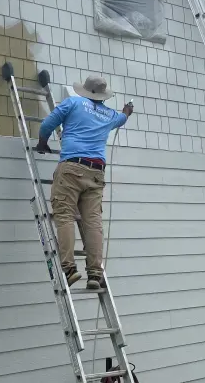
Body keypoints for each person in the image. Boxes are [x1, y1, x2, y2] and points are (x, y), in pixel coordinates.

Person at [36, 76, 133, 289]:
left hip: (72, 168)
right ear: (102, 95)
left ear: (86, 91)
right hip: (96, 173)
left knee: (64, 215)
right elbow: (122, 118)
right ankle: (95, 274)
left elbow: (47, 125)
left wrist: (42, 142)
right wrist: (127, 110)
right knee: (93, 222)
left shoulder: (73, 103)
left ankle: (70, 269)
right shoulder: (109, 115)